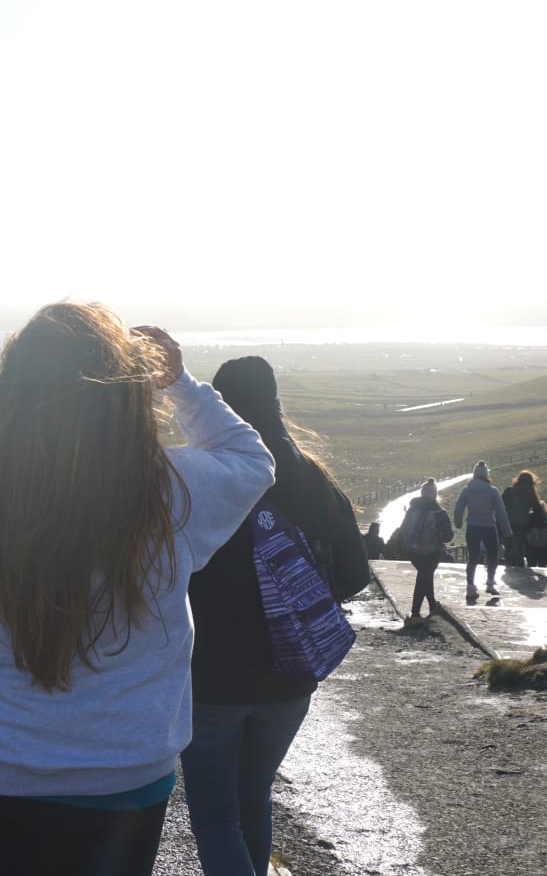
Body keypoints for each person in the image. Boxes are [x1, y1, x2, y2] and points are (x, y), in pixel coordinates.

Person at [0, 302, 274, 876]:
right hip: (129, 765)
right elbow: (252, 459)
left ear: (11, 390)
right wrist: (180, 384)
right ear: (126, 392)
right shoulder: (172, 487)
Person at [183, 356, 372, 876]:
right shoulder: (313, 478)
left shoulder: (206, 479)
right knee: (253, 797)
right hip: (291, 678)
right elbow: (356, 575)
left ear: (217, 409)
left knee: (216, 813)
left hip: (212, 680)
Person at [395, 478, 453, 623]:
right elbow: (448, 536)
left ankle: (433, 606)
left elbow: (402, 529)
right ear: (434, 495)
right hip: (432, 551)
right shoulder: (439, 512)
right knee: (424, 576)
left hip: (412, 551)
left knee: (425, 576)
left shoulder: (412, 509)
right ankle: (415, 613)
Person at [453, 461, 512, 601]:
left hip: (473, 526)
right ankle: (490, 582)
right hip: (489, 527)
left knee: (472, 557)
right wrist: (507, 531)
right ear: (486, 475)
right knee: (493, 555)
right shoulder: (492, 491)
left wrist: (458, 523)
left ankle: (470, 586)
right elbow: (501, 513)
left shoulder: (466, 490)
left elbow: (458, 508)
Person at [500, 471, 546, 568]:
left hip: (509, 523)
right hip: (522, 524)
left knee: (509, 545)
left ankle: (508, 563)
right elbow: (538, 510)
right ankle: (519, 564)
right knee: (520, 547)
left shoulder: (510, 491)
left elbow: (501, 505)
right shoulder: (530, 494)